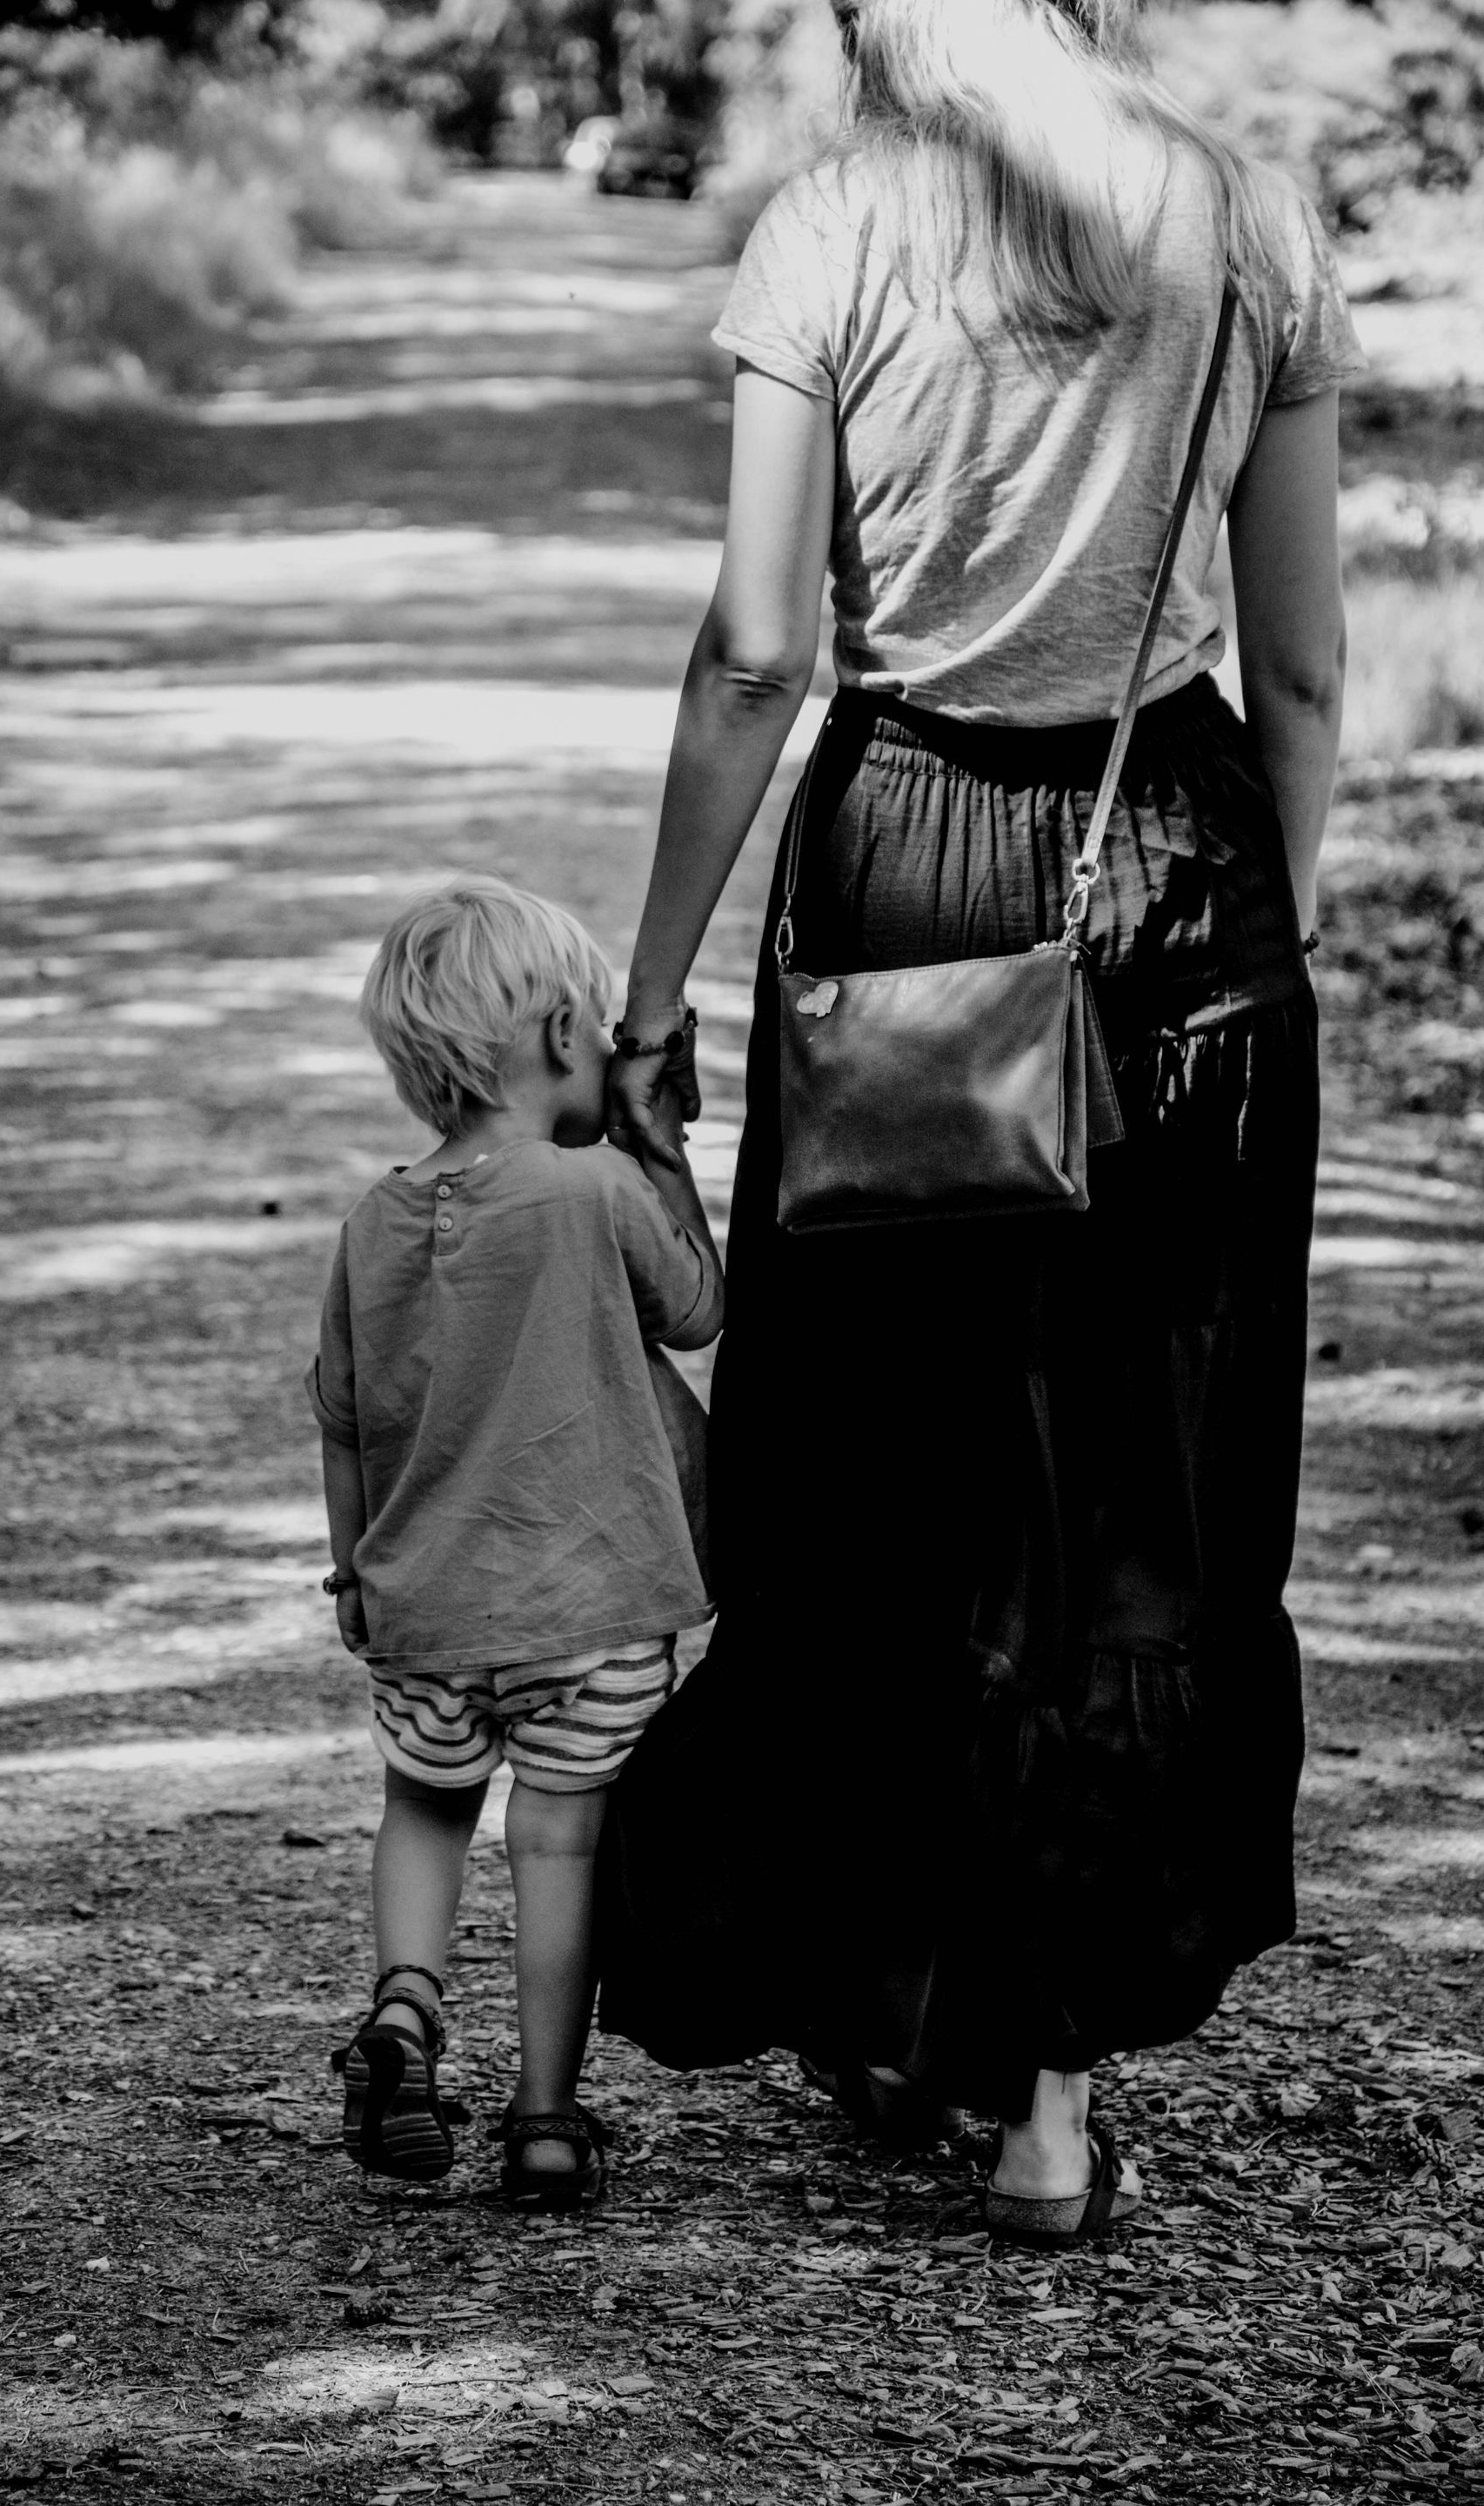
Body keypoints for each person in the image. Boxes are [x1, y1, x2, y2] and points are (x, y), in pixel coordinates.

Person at [599, 0, 1365, 2247]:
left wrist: (654, 991)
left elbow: (760, 652)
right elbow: (1306, 671)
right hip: (1180, 882)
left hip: (911, 865)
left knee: (876, 1464)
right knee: (1129, 1500)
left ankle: (888, 1993)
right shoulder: (1249, 224)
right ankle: (1041, 2102)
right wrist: (1257, 936)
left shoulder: (829, 230)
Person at [307, 878, 723, 2210]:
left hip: (422, 1608)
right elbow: (700, 1309)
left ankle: (407, 2014)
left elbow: (345, 1427)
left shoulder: (372, 1224)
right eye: (600, 1034)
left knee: (424, 1807)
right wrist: (661, 1145)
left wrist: (354, 1575)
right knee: (559, 1843)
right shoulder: (595, 1188)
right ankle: (545, 2119)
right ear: (558, 1039)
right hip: (588, 1613)